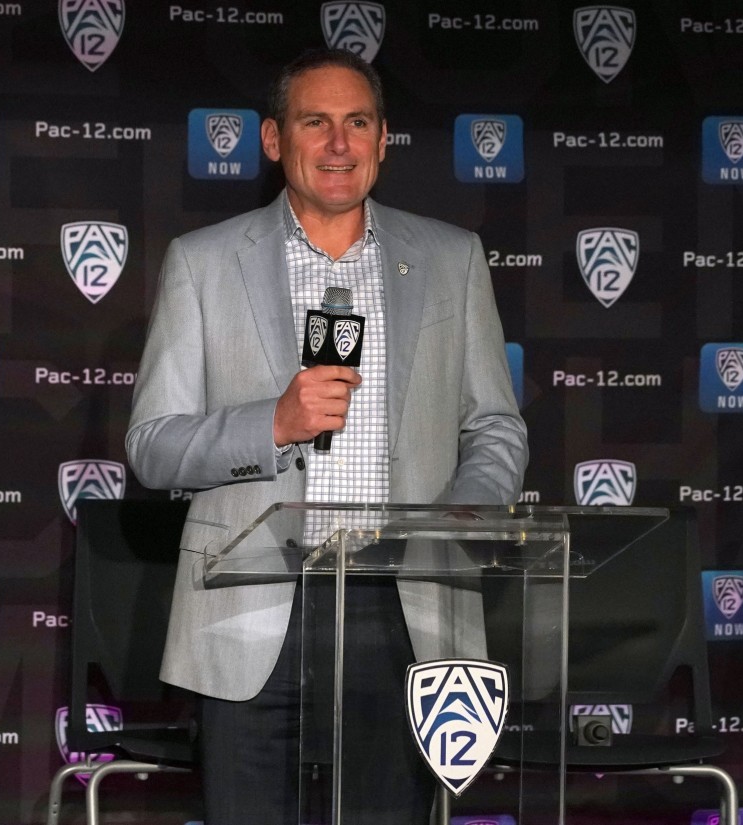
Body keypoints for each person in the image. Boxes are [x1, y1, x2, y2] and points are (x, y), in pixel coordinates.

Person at [126, 47, 528, 825]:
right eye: (316, 122)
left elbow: (495, 426)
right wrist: (272, 424)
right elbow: (153, 444)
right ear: (276, 140)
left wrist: (464, 515)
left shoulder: (450, 258)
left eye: (358, 123)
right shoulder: (204, 263)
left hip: (403, 603)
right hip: (252, 607)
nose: (339, 143)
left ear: (383, 140)